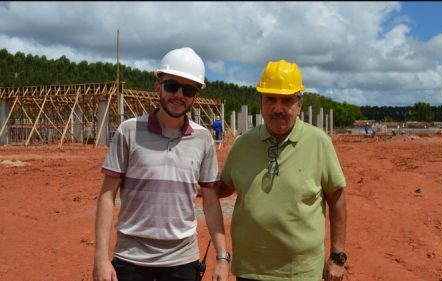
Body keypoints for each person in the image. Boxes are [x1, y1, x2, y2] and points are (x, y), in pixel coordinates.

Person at [93, 47, 230, 281]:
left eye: (188, 89)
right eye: (171, 85)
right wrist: (100, 259)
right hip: (130, 259)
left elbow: (209, 200)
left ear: (195, 95)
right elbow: (107, 195)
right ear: (158, 85)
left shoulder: (203, 138)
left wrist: (222, 257)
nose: (179, 94)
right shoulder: (129, 131)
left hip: (183, 261)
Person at [218, 59, 347, 281]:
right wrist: (194, 185)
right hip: (250, 269)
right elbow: (225, 186)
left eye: (286, 100)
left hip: (301, 272)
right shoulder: (243, 144)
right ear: (260, 102)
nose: (278, 108)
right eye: (270, 99)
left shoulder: (318, 142)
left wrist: (337, 257)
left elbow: (337, 198)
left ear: (299, 104)